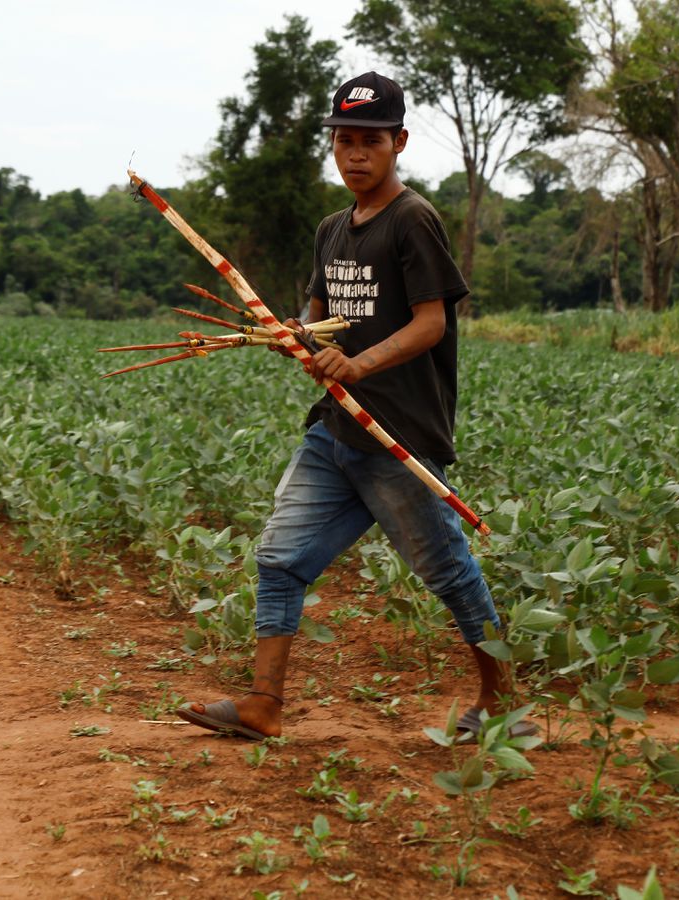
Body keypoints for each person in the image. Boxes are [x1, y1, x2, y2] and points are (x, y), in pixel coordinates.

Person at [177, 72, 535, 742]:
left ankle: (505, 703)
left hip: (397, 437)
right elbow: (315, 318)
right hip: (337, 434)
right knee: (280, 559)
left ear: (398, 142)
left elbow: (431, 323)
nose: (356, 154)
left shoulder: (413, 221)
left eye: (371, 140)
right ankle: (263, 704)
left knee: (449, 574)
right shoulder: (332, 230)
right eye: (345, 140)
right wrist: (292, 337)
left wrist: (358, 363)